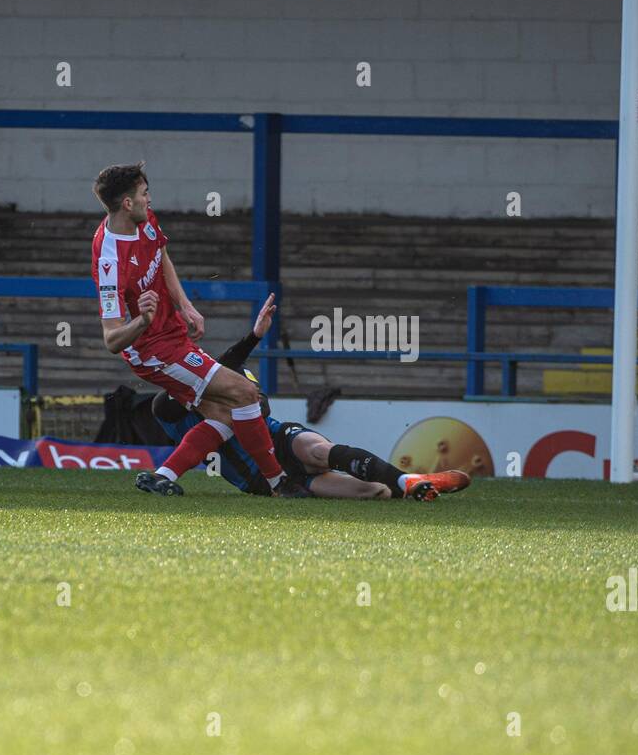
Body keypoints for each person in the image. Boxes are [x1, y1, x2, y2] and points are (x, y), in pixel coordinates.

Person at [90, 162, 309, 498]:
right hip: (154, 353)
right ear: (127, 203)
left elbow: (162, 258)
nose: (150, 199)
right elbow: (111, 340)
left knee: (223, 412)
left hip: (173, 334)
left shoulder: (145, 221)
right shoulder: (110, 259)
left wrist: (185, 305)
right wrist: (143, 322)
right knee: (245, 393)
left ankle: (162, 476)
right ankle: (279, 483)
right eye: (144, 194)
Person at [144, 292, 471, 501]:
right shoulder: (175, 408)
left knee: (318, 451)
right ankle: (406, 486)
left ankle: (410, 481)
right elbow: (184, 416)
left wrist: (255, 336)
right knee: (371, 492)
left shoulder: (220, 376)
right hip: (259, 476)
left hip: (276, 437)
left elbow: (234, 371)